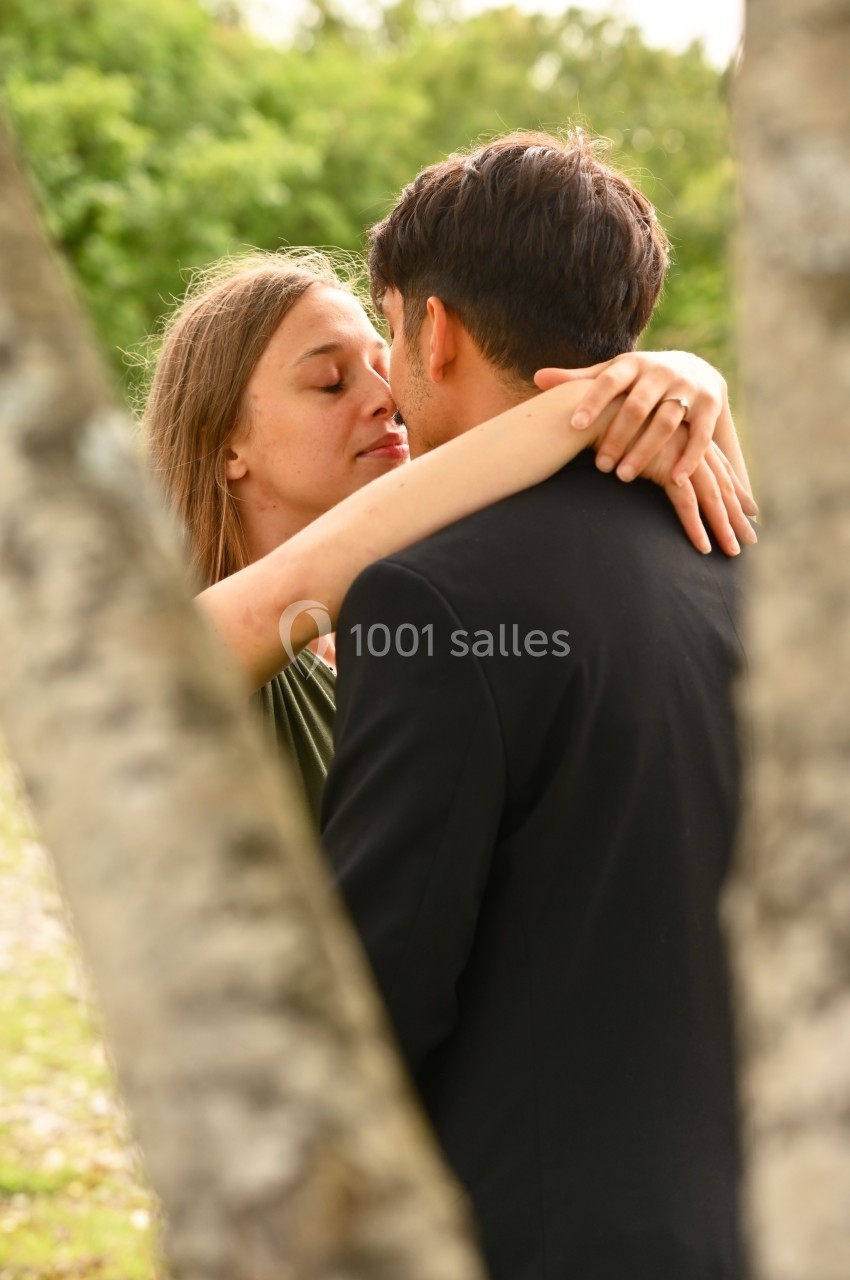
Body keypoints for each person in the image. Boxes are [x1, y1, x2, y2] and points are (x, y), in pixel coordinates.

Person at [320, 132, 751, 1277]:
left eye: (390, 330)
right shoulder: (762, 573)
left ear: (437, 330)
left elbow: (372, 1004)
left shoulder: (427, 594)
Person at [143, 249, 754, 826]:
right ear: (227, 443)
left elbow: (727, 559)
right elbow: (289, 588)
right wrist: (601, 401)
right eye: (332, 382)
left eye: (384, 369)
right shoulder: (182, 645)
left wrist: (695, 391)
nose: (387, 400)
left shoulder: (381, 638)